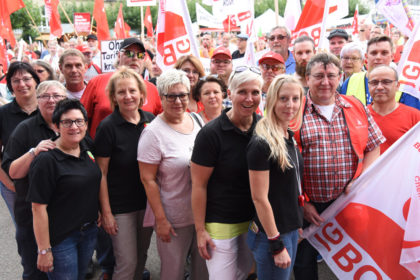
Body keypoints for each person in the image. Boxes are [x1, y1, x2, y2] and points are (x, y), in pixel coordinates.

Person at [292, 53, 385, 280]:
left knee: (352, 258)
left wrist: (361, 180)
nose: (325, 82)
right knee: (304, 261)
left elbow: (373, 145)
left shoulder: (355, 105)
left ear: (340, 76)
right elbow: (282, 164)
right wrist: (301, 202)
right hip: (307, 205)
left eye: (331, 75)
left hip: (348, 202)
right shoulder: (293, 109)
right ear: (307, 79)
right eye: (319, 76)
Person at [191, 66, 263, 280]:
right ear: (229, 93)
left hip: (254, 222)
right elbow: (198, 185)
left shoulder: (264, 128)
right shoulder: (210, 134)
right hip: (220, 222)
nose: (249, 98)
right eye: (242, 92)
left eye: (255, 92)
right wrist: (200, 230)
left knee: (246, 275)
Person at [138, 69, 208, 280]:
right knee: (173, 271)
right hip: (174, 217)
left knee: (203, 270)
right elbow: (147, 179)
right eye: (171, 96)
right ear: (161, 97)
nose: (178, 101)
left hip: (203, 215)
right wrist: (160, 219)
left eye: (183, 95)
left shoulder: (197, 120)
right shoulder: (152, 133)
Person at [26, 99, 99, 279]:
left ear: (85, 124)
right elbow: (38, 208)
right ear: (57, 126)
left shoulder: (85, 147)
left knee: (81, 276)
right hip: (61, 239)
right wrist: (44, 250)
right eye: (67, 122)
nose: (74, 127)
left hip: (88, 232)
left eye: (79, 121)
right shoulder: (47, 160)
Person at [2, 80, 67, 280]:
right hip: (32, 217)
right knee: (35, 271)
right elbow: (13, 171)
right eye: (45, 96)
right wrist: (33, 152)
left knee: (66, 271)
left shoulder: (73, 124)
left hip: (66, 217)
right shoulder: (24, 129)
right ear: (37, 101)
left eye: (57, 96)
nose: (52, 100)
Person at [94, 67, 155, 279]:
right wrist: (106, 212)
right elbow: (100, 173)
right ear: (113, 97)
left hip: (147, 204)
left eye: (132, 90)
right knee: (126, 263)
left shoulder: (151, 120)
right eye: (121, 92)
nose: (128, 96)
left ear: (141, 93)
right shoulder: (108, 127)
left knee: (141, 257)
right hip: (120, 207)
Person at [246, 75, 304, 280]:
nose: (290, 105)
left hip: (287, 230)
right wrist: (276, 243)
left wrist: (296, 222)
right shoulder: (262, 143)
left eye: (295, 98)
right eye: (283, 98)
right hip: (271, 236)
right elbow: (259, 198)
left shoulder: (288, 135)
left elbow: (287, 188)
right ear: (271, 100)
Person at [81, 37, 162, 139]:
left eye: (140, 55)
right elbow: (80, 119)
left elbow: (163, 124)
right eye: (129, 53)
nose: (135, 58)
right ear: (119, 56)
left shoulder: (152, 89)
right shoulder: (97, 82)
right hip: (102, 152)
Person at [0, 62, 40, 230]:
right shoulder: (3, 114)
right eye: (16, 81)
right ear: (9, 86)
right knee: (26, 231)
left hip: (49, 180)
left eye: (26, 79)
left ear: (36, 81)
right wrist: (10, 184)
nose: (22, 84)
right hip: (15, 184)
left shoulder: (50, 108)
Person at [341, 35, 420, 109]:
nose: (378, 57)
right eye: (374, 53)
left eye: (384, 53)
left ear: (392, 56)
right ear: (366, 57)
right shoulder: (351, 81)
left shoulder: (405, 87)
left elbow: (413, 119)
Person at [367, 65, 420, 154]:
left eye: (386, 82)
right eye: (374, 82)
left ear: (397, 86)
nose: (379, 87)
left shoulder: (415, 117)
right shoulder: (359, 116)